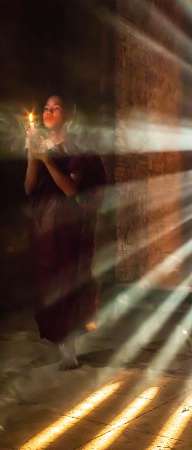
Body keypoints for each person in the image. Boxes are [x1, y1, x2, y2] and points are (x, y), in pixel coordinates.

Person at [24, 95, 106, 370]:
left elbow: (71, 190)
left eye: (55, 108)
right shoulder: (42, 147)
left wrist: (47, 159)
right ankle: (59, 344)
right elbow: (29, 188)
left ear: (68, 116)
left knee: (66, 282)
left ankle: (69, 350)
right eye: (45, 108)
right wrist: (32, 157)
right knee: (46, 283)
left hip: (68, 226)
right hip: (44, 225)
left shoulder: (76, 148)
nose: (48, 112)